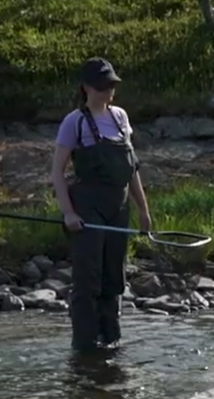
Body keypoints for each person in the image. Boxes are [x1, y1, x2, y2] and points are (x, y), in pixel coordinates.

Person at [51, 57, 154, 353]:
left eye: (111, 86)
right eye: (101, 86)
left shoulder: (121, 117)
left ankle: (110, 344)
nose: (107, 92)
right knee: (88, 283)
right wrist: (68, 213)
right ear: (85, 88)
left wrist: (143, 211)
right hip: (87, 209)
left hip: (119, 208)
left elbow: (131, 167)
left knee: (114, 278)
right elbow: (57, 171)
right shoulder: (75, 122)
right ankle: (84, 350)